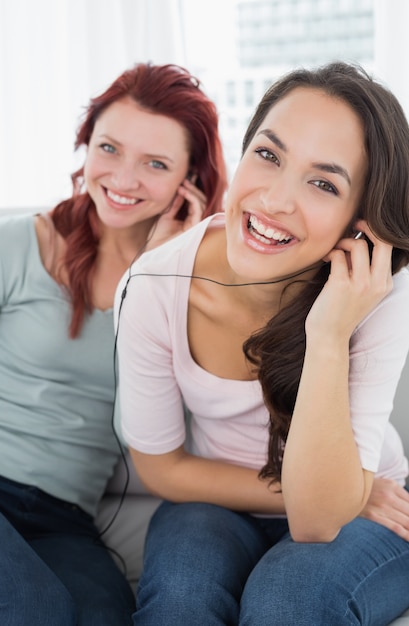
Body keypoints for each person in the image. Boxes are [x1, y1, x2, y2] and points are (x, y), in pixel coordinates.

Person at [116, 61, 409, 625]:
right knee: (180, 598)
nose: (274, 200)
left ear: (359, 221)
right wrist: (345, 491)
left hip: (360, 507)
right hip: (223, 496)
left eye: (324, 183)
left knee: (288, 601)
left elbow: (318, 521)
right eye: (269, 155)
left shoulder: (378, 291)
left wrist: (328, 334)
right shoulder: (155, 285)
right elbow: (160, 468)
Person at [0, 62, 226, 625]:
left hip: (62, 517)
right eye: (110, 148)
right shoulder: (16, 245)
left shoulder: (187, 287)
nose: (123, 179)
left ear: (188, 181)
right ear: (85, 145)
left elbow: (143, 429)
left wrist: (155, 277)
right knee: (33, 610)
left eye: (155, 164)